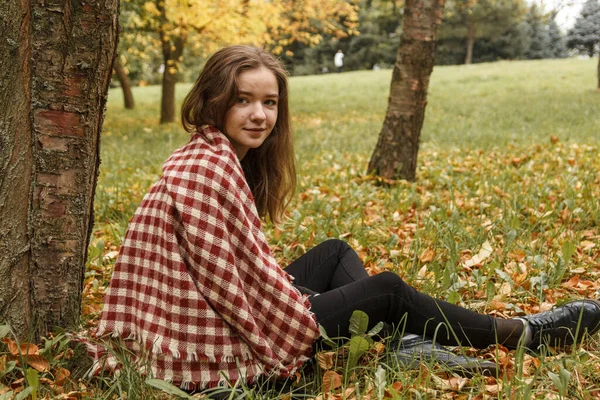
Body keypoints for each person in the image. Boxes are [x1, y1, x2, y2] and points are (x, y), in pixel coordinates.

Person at [93, 45, 600, 391]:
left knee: (335, 252)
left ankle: (399, 342)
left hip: (208, 318)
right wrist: (303, 305)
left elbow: (235, 274)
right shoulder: (211, 170)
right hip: (219, 352)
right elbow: (228, 288)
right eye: (243, 100)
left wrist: (302, 298)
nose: (259, 115)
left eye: (269, 102)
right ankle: (525, 334)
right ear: (212, 101)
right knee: (387, 291)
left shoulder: (205, 156)